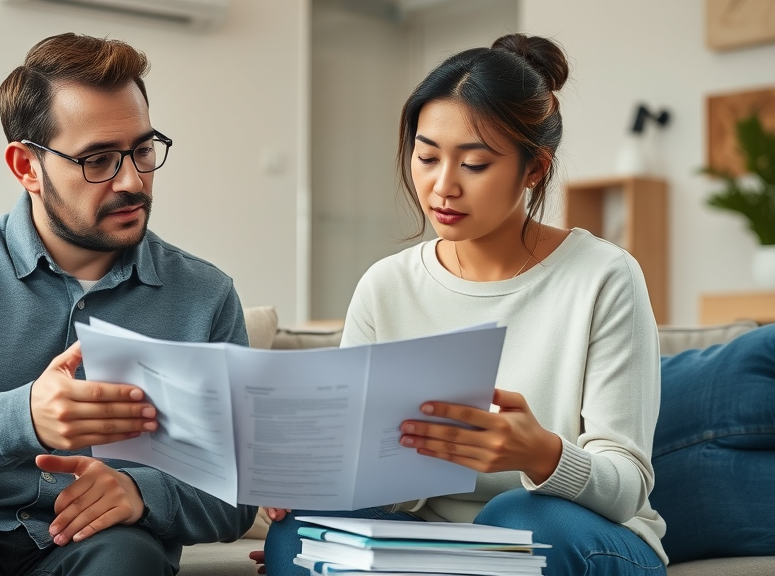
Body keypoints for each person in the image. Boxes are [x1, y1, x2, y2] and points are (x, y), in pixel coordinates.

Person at [0, 33, 257, 576]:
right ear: (26, 167)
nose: (133, 180)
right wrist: (22, 418)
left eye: (141, 150)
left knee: (128, 553)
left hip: (91, 550)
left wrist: (142, 491)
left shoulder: (204, 297)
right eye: (99, 160)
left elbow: (242, 489)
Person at [259, 34, 667, 575]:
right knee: (301, 532)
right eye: (426, 157)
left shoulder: (604, 277)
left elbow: (626, 487)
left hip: (577, 535)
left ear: (535, 169)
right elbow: (376, 478)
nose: (441, 186)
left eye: (474, 164)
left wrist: (540, 453)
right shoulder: (386, 287)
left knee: (520, 516)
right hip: (435, 543)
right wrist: (320, 477)